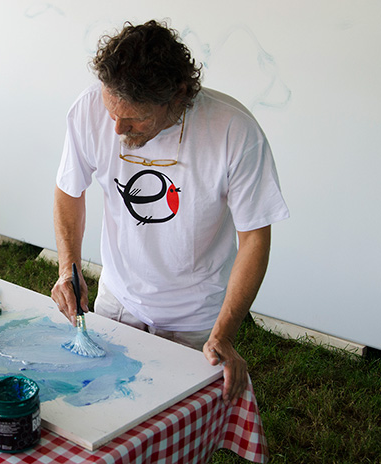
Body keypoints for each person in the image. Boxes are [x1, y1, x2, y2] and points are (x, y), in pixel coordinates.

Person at [51, 20, 289, 404]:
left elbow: (255, 239)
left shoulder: (233, 131)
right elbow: (68, 191)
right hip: (118, 298)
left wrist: (224, 334)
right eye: (112, 112)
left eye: (135, 119)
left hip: (195, 316)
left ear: (178, 96)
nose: (117, 129)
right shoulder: (89, 109)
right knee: (102, 407)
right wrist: (68, 269)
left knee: (171, 421)